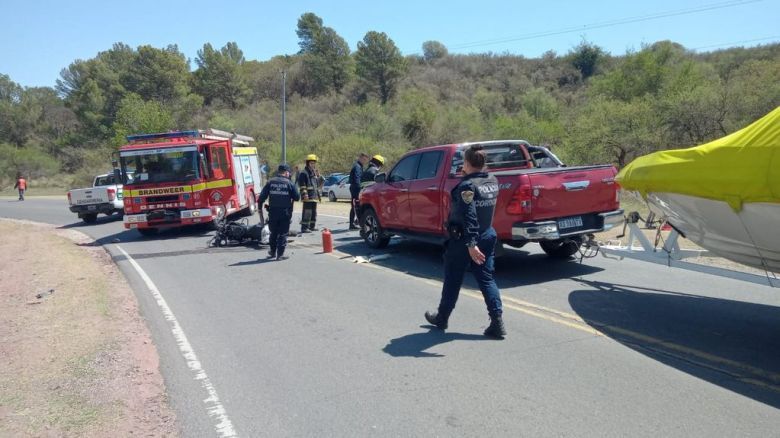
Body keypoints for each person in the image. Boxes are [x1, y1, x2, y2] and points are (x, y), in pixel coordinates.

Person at [424, 144, 506, 339]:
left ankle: (442, 318)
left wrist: (470, 244)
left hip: (464, 239)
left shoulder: (467, 186)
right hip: (487, 234)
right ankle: (497, 322)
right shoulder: (492, 180)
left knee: (453, 277)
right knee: (486, 279)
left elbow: (469, 215)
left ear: (467, 163)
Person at [258, 164, 300, 261]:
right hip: (285, 213)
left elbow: (261, 198)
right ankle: (280, 255)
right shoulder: (289, 183)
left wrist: (260, 209)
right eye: (288, 173)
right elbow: (297, 197)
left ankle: (272, 252)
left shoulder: (270, 182)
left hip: (272, 212)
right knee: (283, 233)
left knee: (273, 233)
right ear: (286, 172)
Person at [297, 154, 321, 233]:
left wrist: (318, 176)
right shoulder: (304, 173)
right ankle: (304, 227)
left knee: (313, 212)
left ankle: (311, 226)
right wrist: (304, 195)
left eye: (314, 163)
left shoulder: (313, 173)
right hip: (308, 196)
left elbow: (316, 185)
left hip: (314, 196)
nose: (313, 165)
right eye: (311, 163)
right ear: (308, 163)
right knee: (307, 212)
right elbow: (302, 185)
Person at [348, 153, 369, 230]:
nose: (364, 161)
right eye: (363, 159)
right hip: (355, 188)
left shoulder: (359, 166)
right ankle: (352, 224)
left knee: (356, 206)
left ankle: (355, 222)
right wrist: (360, 189)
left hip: (355, 188)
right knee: (355, 206)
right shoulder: (357, 166)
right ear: (360, 158)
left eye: (366, 160)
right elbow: (357, 179)